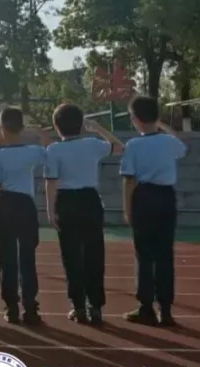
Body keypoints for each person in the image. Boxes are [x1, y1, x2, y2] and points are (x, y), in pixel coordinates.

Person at [44, 103, 123, 326]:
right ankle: (95, 306)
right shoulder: (92, 144)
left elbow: (51, 182)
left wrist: (51, 210)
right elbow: (119, 147)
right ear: (81, 125)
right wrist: (98, 128)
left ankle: (78, 306)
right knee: (94, 254)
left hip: (66, 201)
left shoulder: (54, 150)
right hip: (90, 200)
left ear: (56, 126)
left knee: (71, 255)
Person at [120, 95, 188, 327]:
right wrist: (161, 124)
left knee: (144, 255)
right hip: (166, 197)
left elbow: (129, 180)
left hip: (144, 197)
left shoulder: (133, 145)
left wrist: (128, 209)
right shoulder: (169, 142)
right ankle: (165, 309)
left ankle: (146, 307)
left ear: (135, 119)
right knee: (165, 254)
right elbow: (181, 144)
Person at [0, 107, 46, 325]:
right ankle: (30, 307)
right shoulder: (32, 151)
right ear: (21, 127)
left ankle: (11, 307)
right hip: (25, 205)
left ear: (2, 127)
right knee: (28, 257)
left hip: (6, 203)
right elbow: (50, 151)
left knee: (7, 258)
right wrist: (41, 133)